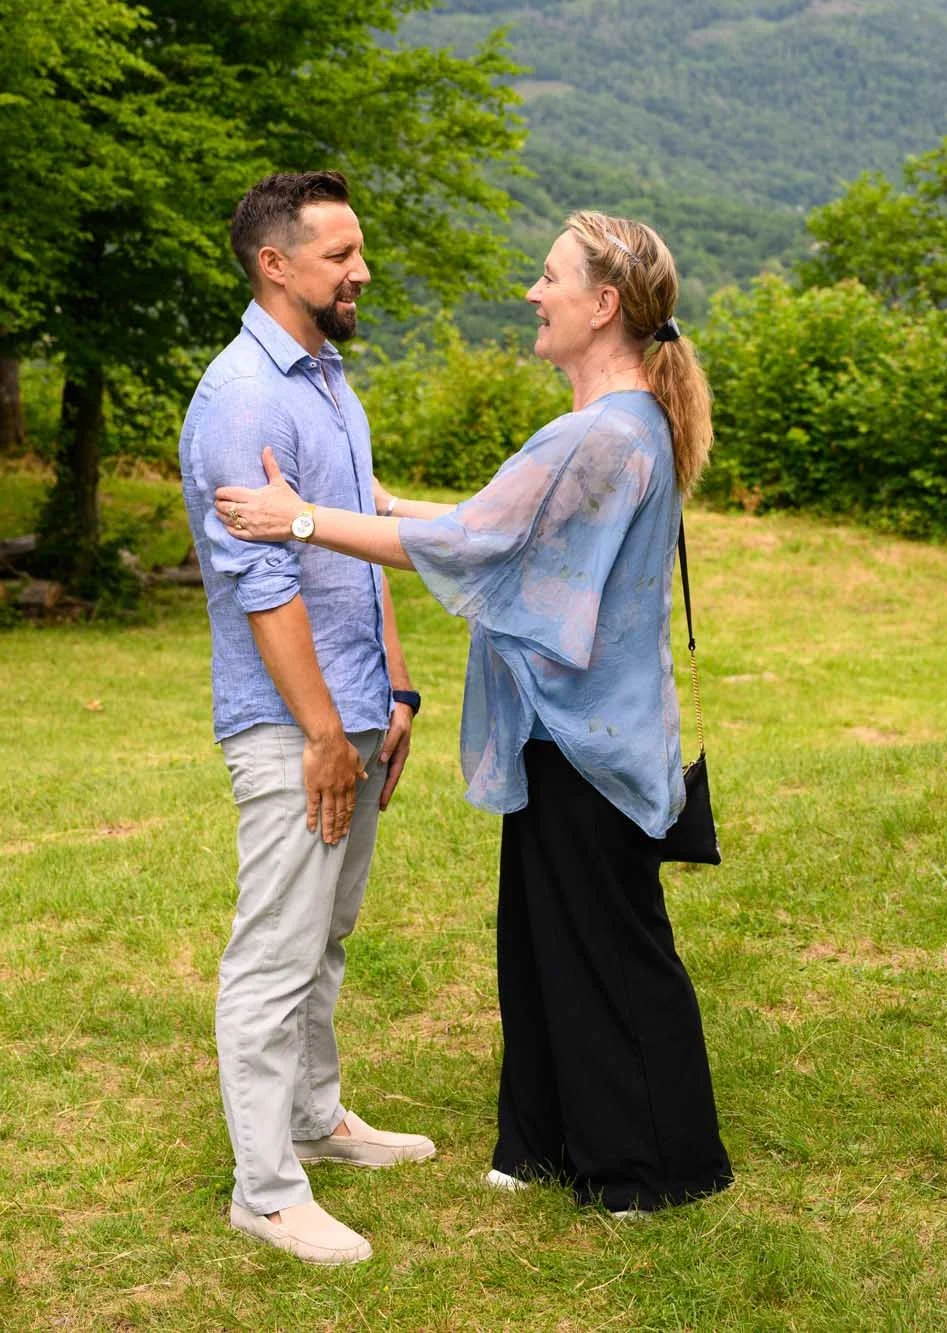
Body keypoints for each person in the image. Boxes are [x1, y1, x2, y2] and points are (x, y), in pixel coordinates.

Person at [214, 210, 733, 1216]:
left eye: (548, 279)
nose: (533, 294)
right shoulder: (612, 427)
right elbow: (489, 521)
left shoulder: (602, 431)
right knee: (541, 943)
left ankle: (648, 1167)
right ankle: (539, 1141)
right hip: (566, 735)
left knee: (606, 951)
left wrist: (304, 519)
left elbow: (475, 545)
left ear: (602, 305)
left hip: (588, 742)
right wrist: (370, 497)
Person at [177, 170, 436, 1268]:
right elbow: (265, 585)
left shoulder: (327, 378)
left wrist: (396, 686)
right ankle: (264, 1190)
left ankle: (315, 1121)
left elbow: (346, 541)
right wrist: (327, 731)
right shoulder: (242, 396)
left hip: (355, 706)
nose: (360, 271)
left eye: (358, 249)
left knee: (325, 936)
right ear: (272, 264)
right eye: (339, 254)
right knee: (274, 951)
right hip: (293, 724)